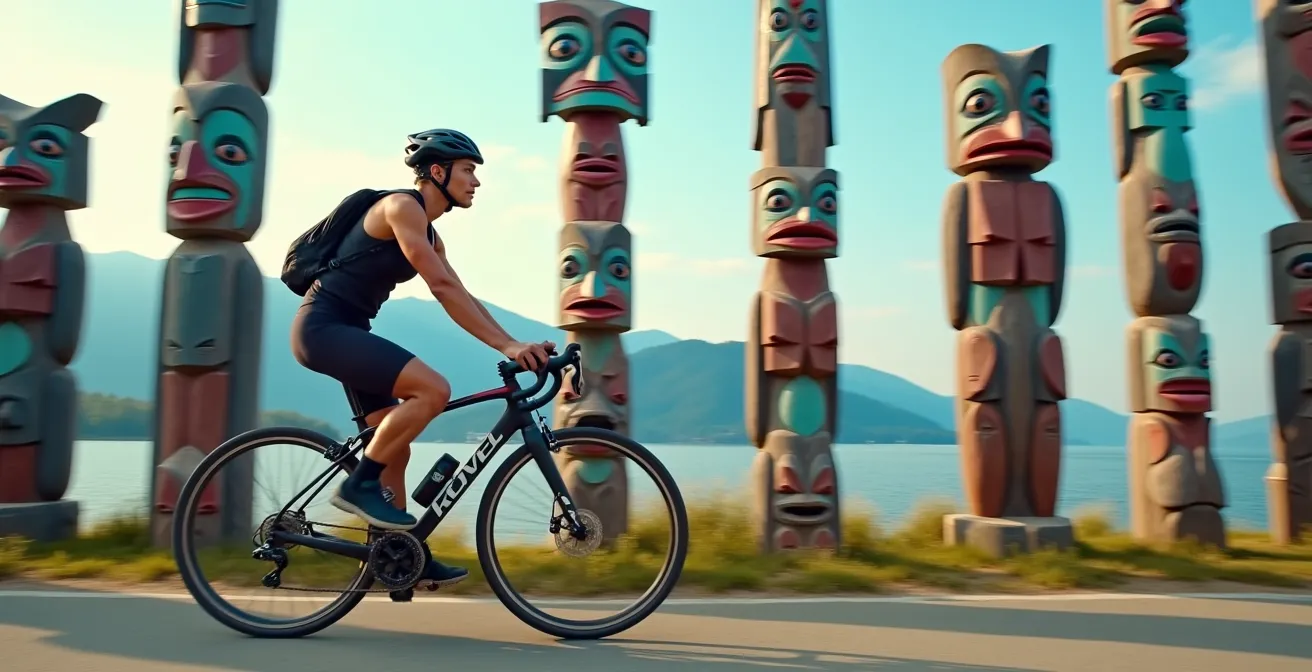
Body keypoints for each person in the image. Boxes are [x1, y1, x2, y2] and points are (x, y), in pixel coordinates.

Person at [290, 128, 554, 588]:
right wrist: (507, 348)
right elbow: (441, 287)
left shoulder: (432, 237)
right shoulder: (401, 207)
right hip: (323, 329)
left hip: (349, 332)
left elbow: (461, 296)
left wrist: (516, 343)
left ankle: (395, 555)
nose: (476, 181)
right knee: (433, 390)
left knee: (395, 448)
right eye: (469, 171)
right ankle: (356, 485)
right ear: (438, 171)